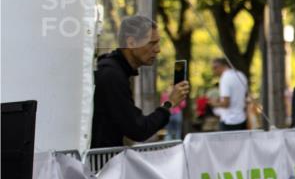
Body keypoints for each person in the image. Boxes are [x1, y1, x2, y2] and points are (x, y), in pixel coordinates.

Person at [91, 15, 189, 149]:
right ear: (131, 43)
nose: (158, 49)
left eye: (158, 43)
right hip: (98, 161)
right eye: (152, 43)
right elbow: (139, 129)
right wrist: (169, 104)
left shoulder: (114, 70)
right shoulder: (112, 75)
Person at [210, 58, 248, 131]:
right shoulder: (241, 75)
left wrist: (214, 103)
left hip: (229, 120)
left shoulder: (225, 78)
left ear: (221, 66)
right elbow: (245, 96)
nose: (213, 71)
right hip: (242, 119)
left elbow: (226, 103)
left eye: (214, 68)